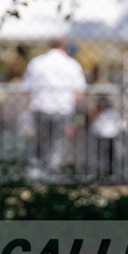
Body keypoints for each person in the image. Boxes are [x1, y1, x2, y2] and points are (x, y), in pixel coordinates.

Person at [20, 37, 87, 176]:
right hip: (63, 110)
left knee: (38, 144)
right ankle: (52, 175)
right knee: (58, 144)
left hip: (40, 108)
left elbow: (26, 89)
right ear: (65, 47)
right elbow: (80, 92)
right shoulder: (72, 64)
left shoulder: (36, 63)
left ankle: (35, 174)